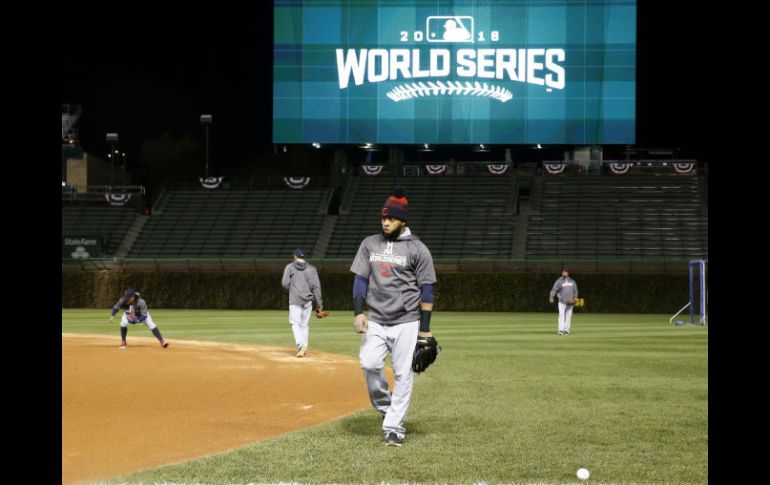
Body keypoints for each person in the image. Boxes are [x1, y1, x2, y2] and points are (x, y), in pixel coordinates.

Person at [350, 186, 437, 447]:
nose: (386, 222)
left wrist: (424, 330)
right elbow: (360, 279)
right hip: (375, 318)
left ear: (403, 220)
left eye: (391, 219)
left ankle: (394, 427)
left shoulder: (418, 249)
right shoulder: (370, 244)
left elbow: (427, 290)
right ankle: (388, 408)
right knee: (368, 363)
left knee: (402, 374)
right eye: (383, 218)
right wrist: (358, 313)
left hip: (407, 321)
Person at [281, 248, 324, 357]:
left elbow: (284, 283)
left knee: (295, 323)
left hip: (295, 299)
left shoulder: (290, 267)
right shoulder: (312, 269)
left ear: (295, 257)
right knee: (304, 325)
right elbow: (316, 287)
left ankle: (301, 345)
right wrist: (319, 305)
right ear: (303, 257)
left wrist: (293, 289)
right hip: (308, 300)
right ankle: (304, 346)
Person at [549, 267, 579, 335]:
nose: (564, 273)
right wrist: (551, 297)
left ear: (568, 273)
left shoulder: (572, 281)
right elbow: (554, 289)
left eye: (565, 272)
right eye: (563, 272)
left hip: (570, 302)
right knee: (561, 315)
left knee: (569, 316)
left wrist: (575, 298)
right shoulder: (559, 281)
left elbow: (575, 291)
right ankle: (560, 330)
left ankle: (566, 330)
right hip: (562, 301)